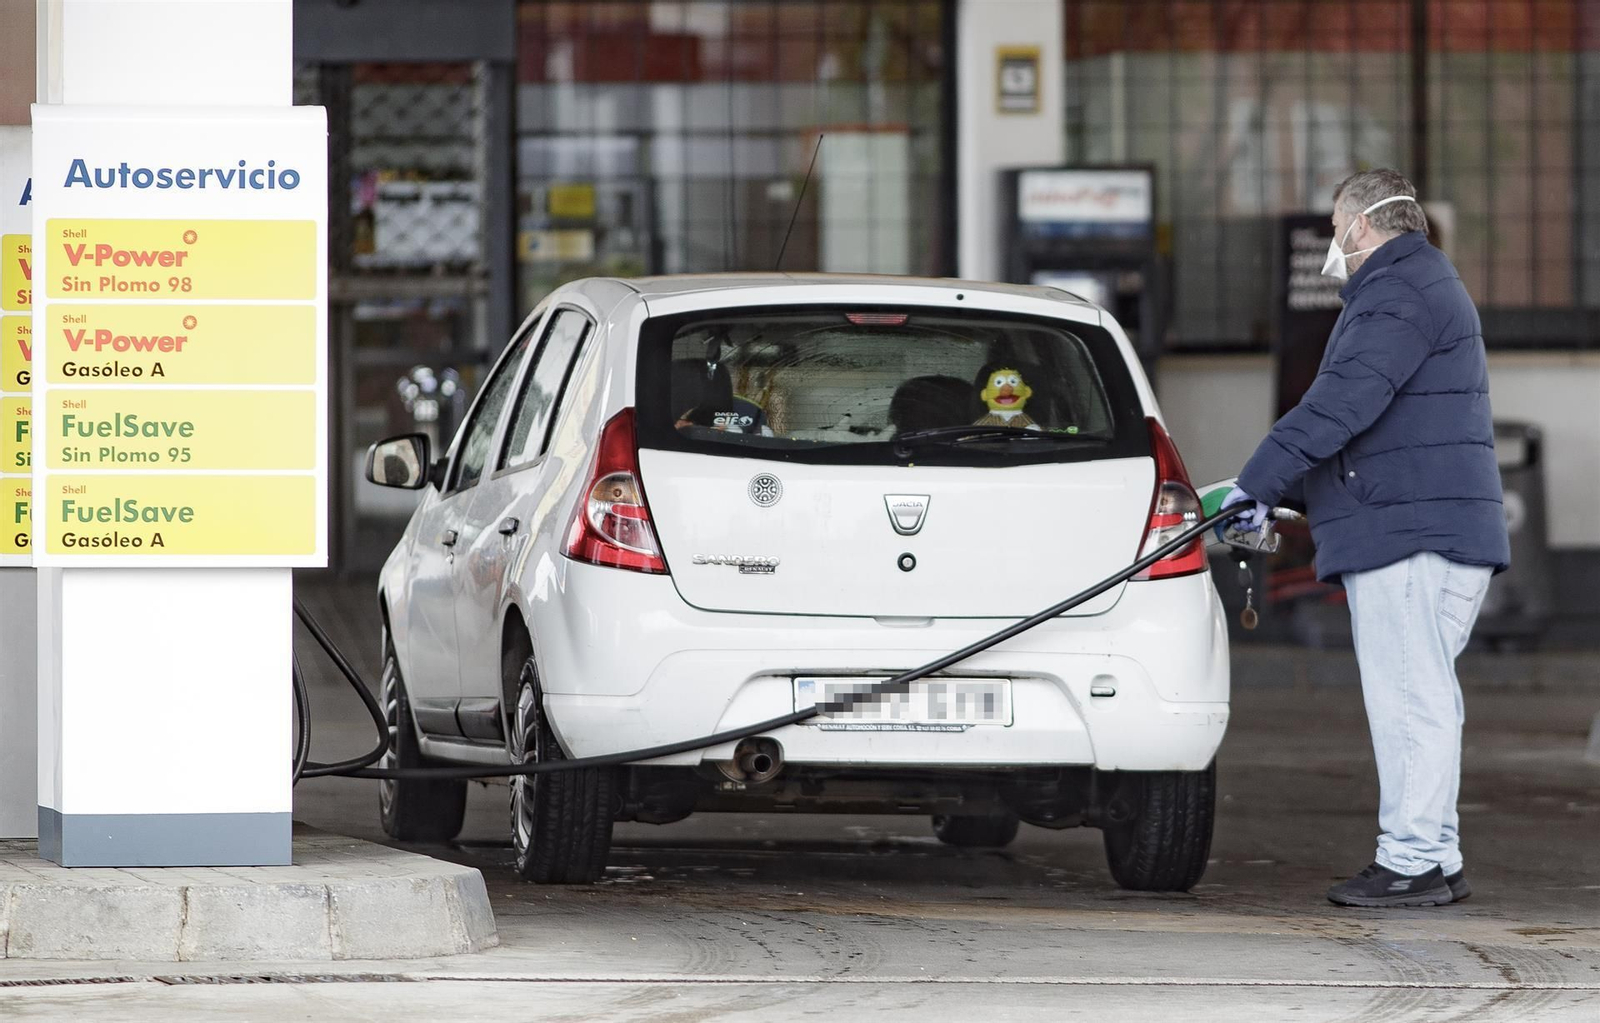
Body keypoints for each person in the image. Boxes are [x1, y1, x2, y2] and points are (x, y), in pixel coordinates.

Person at [1224, 169, 1510, 908]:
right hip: (1426, 523)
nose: (1332, 245)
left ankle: (1411, 858)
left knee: (1409, 697)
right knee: (1424, 694)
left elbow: (1343, 401)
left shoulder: (1398, 291)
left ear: (1359, 224)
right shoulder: (1418, 285)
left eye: (1334, 229)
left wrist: (1258, 479)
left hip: (1407, 530)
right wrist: (1277, 489)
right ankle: (1434, 853)